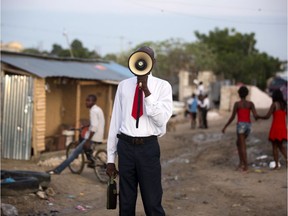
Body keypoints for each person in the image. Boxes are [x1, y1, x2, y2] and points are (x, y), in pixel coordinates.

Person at [106, 46, 173, 216]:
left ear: (153, 62)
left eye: (147, 58)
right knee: (126, 202)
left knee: (152, 202)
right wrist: (110, 158)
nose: (142, 62)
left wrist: (147, 93)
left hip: (148, 147)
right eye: (139, 58)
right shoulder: (123, 86)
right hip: (126, 147)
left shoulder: (162, 86)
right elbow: (115, 122)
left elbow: (161, 120)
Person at [47, 94, 105, 175]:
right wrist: (86, 126)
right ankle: (92, 161)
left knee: (73, 154)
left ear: (94, 101)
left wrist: (88, 140)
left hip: (92, 138)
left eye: (89, 100)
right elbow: (95, 124)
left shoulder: (93, 111)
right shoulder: (98, 109)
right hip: (98, 136)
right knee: (89, 152)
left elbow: (94, 127)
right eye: (86, 100)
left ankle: (57, 170)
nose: (86, 102)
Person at [222, 86, 258, 172]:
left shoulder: (237, 104)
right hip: (248, 126)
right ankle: (241, 163)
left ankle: (245, 166)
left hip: (241, 126)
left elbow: (232, 117)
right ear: (247, 94)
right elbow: (256, 116)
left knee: (242, 146)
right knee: (238, 143)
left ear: (239, 94)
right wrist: (262, 117)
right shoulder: (250, 104)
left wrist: (225, 126)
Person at [258, 89, 287, 169]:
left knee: (274, 146)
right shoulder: (284, 105)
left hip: (275, 127)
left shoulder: (274, 105)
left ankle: (277, 165)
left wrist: (259, 116)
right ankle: (287, 159)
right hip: (283, 128)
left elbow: (267, 116)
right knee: (281, 146)